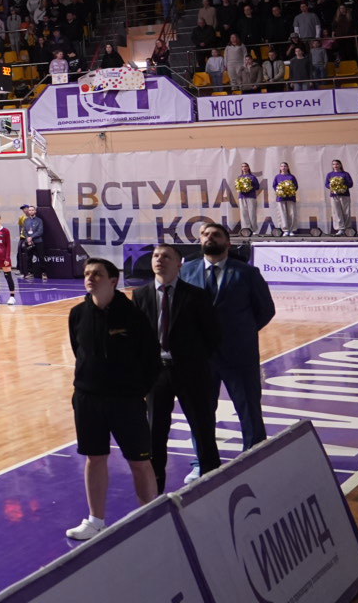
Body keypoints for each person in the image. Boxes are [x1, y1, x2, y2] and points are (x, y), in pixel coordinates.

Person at [65, 258, 160, 541]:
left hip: (126, 401)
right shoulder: (77, 314)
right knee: (94, 458)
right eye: (87, 273)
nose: (90, 278)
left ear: (113, 280)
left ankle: (152, 517)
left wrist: (136, 390)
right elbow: (78, 350)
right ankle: (96, 521)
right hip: (88, 400)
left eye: (97, 274)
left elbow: (151, 358)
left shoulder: (133, 315)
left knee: (140, 461)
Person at [130, 245, 223, 491]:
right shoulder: (140, 295)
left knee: (203, 430)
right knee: (155, 435)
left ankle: (214, 485)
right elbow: (136, 338)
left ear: (179, 264)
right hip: (156, 374)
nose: (159, 260)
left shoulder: (196, 295)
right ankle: (155, 491)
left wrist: (194, 360)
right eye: (156, 256)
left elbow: (212, 335)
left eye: (166, 256)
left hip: (190, 372)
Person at [176, 223, 276, 450]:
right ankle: (203, 460)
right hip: (200, 357)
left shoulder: (247, 273)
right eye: (205, 234)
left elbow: (265, 310)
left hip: (239, 355)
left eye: (216, 235)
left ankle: (255, 457)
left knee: (249, 410)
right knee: (201, 412)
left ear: (228, 243)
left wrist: (242, 331)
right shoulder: (186, 271)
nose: (209, 238)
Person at [327, 160, 357, 236]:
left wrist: (342, 183)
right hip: (334, 195)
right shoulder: (330, 174)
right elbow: (326, 184)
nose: (335, 166)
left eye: (337, 164)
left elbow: (350, 184)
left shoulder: (345, 174)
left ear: (340, 165)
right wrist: (331, 185)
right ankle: (340, 228)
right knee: (336, 212)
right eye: (334, 164)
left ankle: (347, 228)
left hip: (345, 195)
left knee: (346, 212)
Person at [233, 164, 262, 235]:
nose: (244, 168)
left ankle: (254, 230)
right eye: (242, 166)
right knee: (244, 214)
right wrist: (241, 187)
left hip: (251, 197)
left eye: (245, 166)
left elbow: (257, 187)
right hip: (242, 197)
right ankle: (246, 230)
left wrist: (249, 186)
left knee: (252, 213)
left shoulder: (252, 177)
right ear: (241, 168)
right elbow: (237, 187)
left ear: (248, 167)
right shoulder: (239, 178)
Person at [271, 162, 299, 235]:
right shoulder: (277, 177)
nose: (283, 167)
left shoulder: (291, 176)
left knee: (292, 213)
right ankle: (285, 230)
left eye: (285, 166)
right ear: (280, 168)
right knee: (282, 214)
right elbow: (274, 186)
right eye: (282, 166)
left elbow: (296, 186)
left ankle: (292, 230)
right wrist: (280, 191)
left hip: (290, 198)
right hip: (280, 198)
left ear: (288, 167)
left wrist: (290, 191)